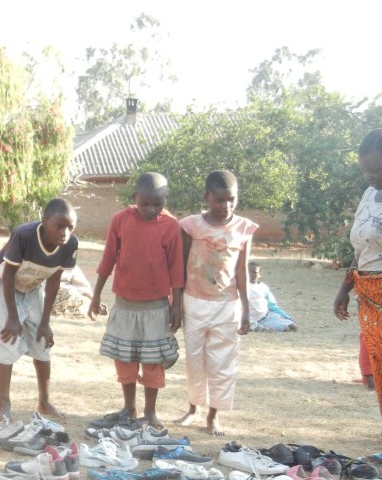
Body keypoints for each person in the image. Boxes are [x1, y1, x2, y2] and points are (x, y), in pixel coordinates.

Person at [88, 172, 184, 432]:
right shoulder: (120, 220)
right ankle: (128, 408)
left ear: (165, 201)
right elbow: (108, 259)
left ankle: (150, 413)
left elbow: (177, 267)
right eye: (145, 204)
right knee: (125, 359)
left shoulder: (170, 225)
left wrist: (176, 304)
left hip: (156, 308)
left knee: (153, 362)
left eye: (158, 204)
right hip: (125, 305)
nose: (152, 209)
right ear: (134, 199)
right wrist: (96, 295)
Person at [176, 170, 258, 436]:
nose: (226, 206)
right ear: (207, 198)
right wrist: (175, 303)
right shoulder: (190, 226)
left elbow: (242, 271)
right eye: (219, 200)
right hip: (194, 301)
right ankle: (193, 408)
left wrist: (245, 307)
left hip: (227, 305)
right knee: (194, 360)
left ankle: (213, 416)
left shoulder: (243, 228)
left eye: (231, 200)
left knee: (223, 362)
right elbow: (179, 266)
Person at [0, 199, 78, 422]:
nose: (65, 232)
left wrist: (45, 322)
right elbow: (9, 275)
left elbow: (54, 281)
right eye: (58, 226)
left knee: (42, 340)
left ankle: (44, 401)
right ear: (44, 222)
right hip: (5, 282)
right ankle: (3, 402)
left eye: (70, 227)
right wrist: (12, 317)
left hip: (33, 286)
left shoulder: (70, 244)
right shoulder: (25, 235)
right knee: (7, 338)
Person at [335, 129, 382, 423]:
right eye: (365, 169)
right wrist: (345, 289)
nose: (369, 175)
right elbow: (360, 248)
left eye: (376, 169)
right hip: (367, 296)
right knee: (379, 368)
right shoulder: (368, 195)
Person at [247, 262, 296, 332]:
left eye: (254, 272)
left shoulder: (263, 287)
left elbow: (272, 305)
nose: (250, 275)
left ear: (260, 274)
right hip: (252, 319)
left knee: (293, 326)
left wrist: (287, 317)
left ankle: (260, 325)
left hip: (267, 315)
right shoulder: (242, 287)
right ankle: (254, 326)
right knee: (286, 329)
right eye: (247, 272)